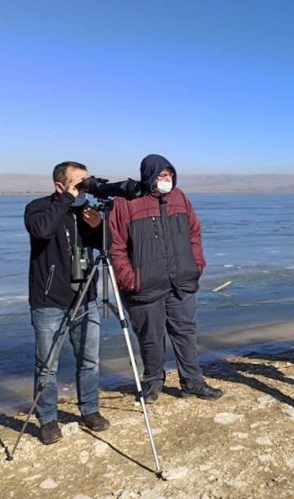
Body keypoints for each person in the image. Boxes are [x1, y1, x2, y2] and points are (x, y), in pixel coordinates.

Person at [109, 154, 222, 402]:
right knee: (150, 336)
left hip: (181, 281)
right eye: (161, 175)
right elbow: (115, 245)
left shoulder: (179, 197)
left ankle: (192, 381)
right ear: (149, 176)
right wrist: (130, 279)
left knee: (185, 333)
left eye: (169, 174)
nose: (166, 179)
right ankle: (153, 381)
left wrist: (195, 264)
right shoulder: (126, 202)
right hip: (145, 284)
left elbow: (194, 233)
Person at [24, 161, 111, 445]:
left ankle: (90, 410)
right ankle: (48, 419)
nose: (84, 188)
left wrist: (99, 228)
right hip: (49, 301)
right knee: (47, 365)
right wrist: (66, 201)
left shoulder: (87, 213)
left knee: (89, 361)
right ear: (60, 186)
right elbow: (42, 231)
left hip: (86, 298)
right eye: (78, 183)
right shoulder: (38, 208)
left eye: (87, 182)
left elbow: (107, 247)